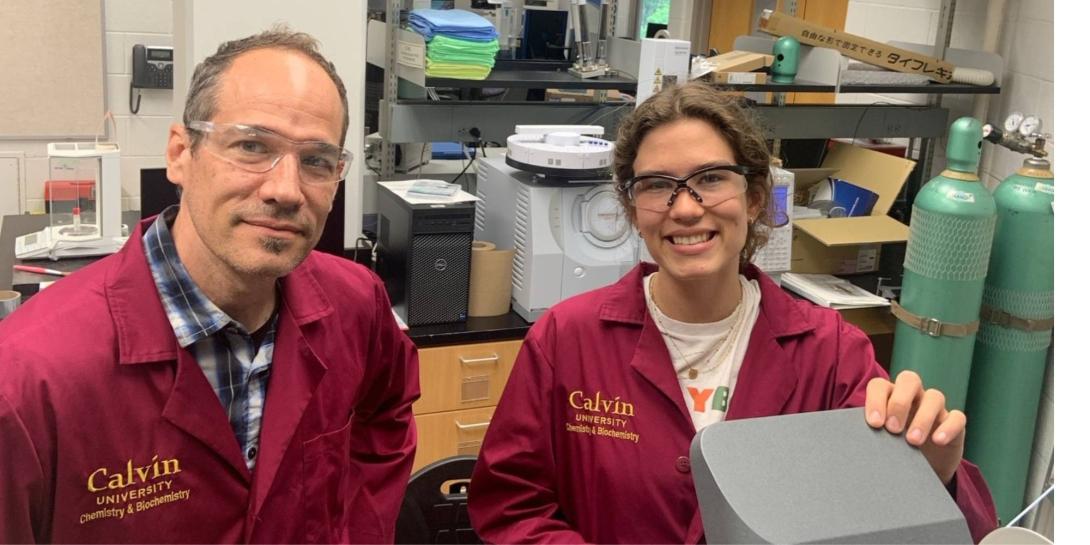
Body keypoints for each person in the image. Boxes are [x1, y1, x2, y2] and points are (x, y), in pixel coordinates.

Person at [467, 81, 998, 544]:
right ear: (632, 209)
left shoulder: (829, 353)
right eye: (657, 186)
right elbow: (511, 505)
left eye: (712, 178)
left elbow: (909, 524)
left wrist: (934, 477)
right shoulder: (568, 339)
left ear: (754, 197)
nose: (685, 207)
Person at [0, 27, 419, 543]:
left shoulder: (356, 303)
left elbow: (386, 421)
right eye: (251, 146)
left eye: (316, 161)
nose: (286, 190)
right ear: (180, 153)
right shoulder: (27, 379)